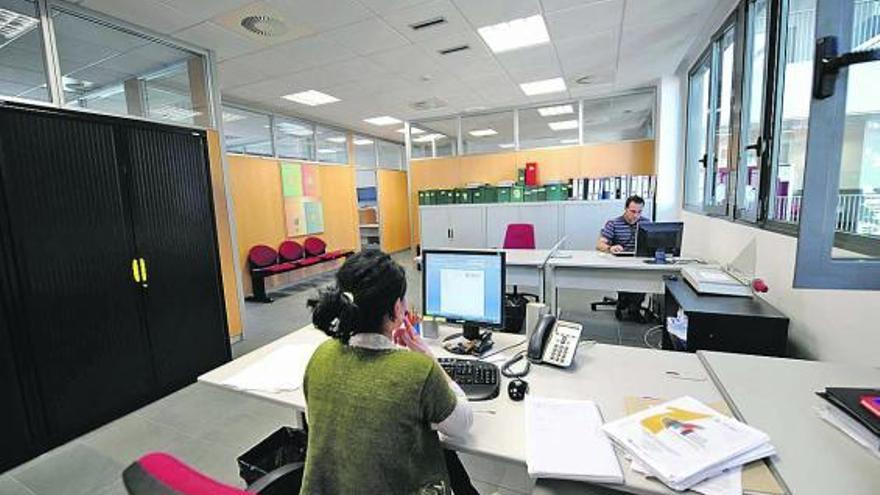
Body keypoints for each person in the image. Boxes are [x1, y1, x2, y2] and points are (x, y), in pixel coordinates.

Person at [301, 249, 477, 495]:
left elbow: (316, 423)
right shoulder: (417, 370)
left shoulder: (321, 354)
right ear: (397, 308)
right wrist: (429, 357)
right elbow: (462, 424)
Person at [596, 195, 650, 322]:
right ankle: (627, 304)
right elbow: (599, 244)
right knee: (630, 277)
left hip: (639, 262)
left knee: (643, 278)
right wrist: (610, 248)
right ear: (625, 209)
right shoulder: (613, 223)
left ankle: (632, 307)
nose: (636, 215)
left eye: (639, 212)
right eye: (633, 211)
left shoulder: (646, 223)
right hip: (620, 263)